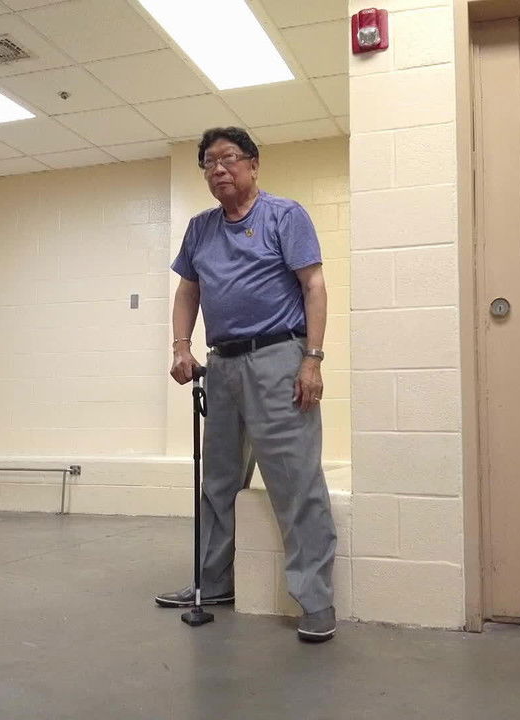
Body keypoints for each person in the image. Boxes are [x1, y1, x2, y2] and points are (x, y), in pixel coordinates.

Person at [154, 127, 338, 643]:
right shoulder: (200, 228)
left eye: (229, 158)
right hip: (223, 366)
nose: (218, 169)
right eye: (208, 162)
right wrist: (181, 346)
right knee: (218, 481)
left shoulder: (285, 215)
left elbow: (314, 286)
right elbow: (188, 291)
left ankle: (315, 601)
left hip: (279, 358)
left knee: (295, 482)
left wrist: (312, 360)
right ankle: (212, 583)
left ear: (253, 164)